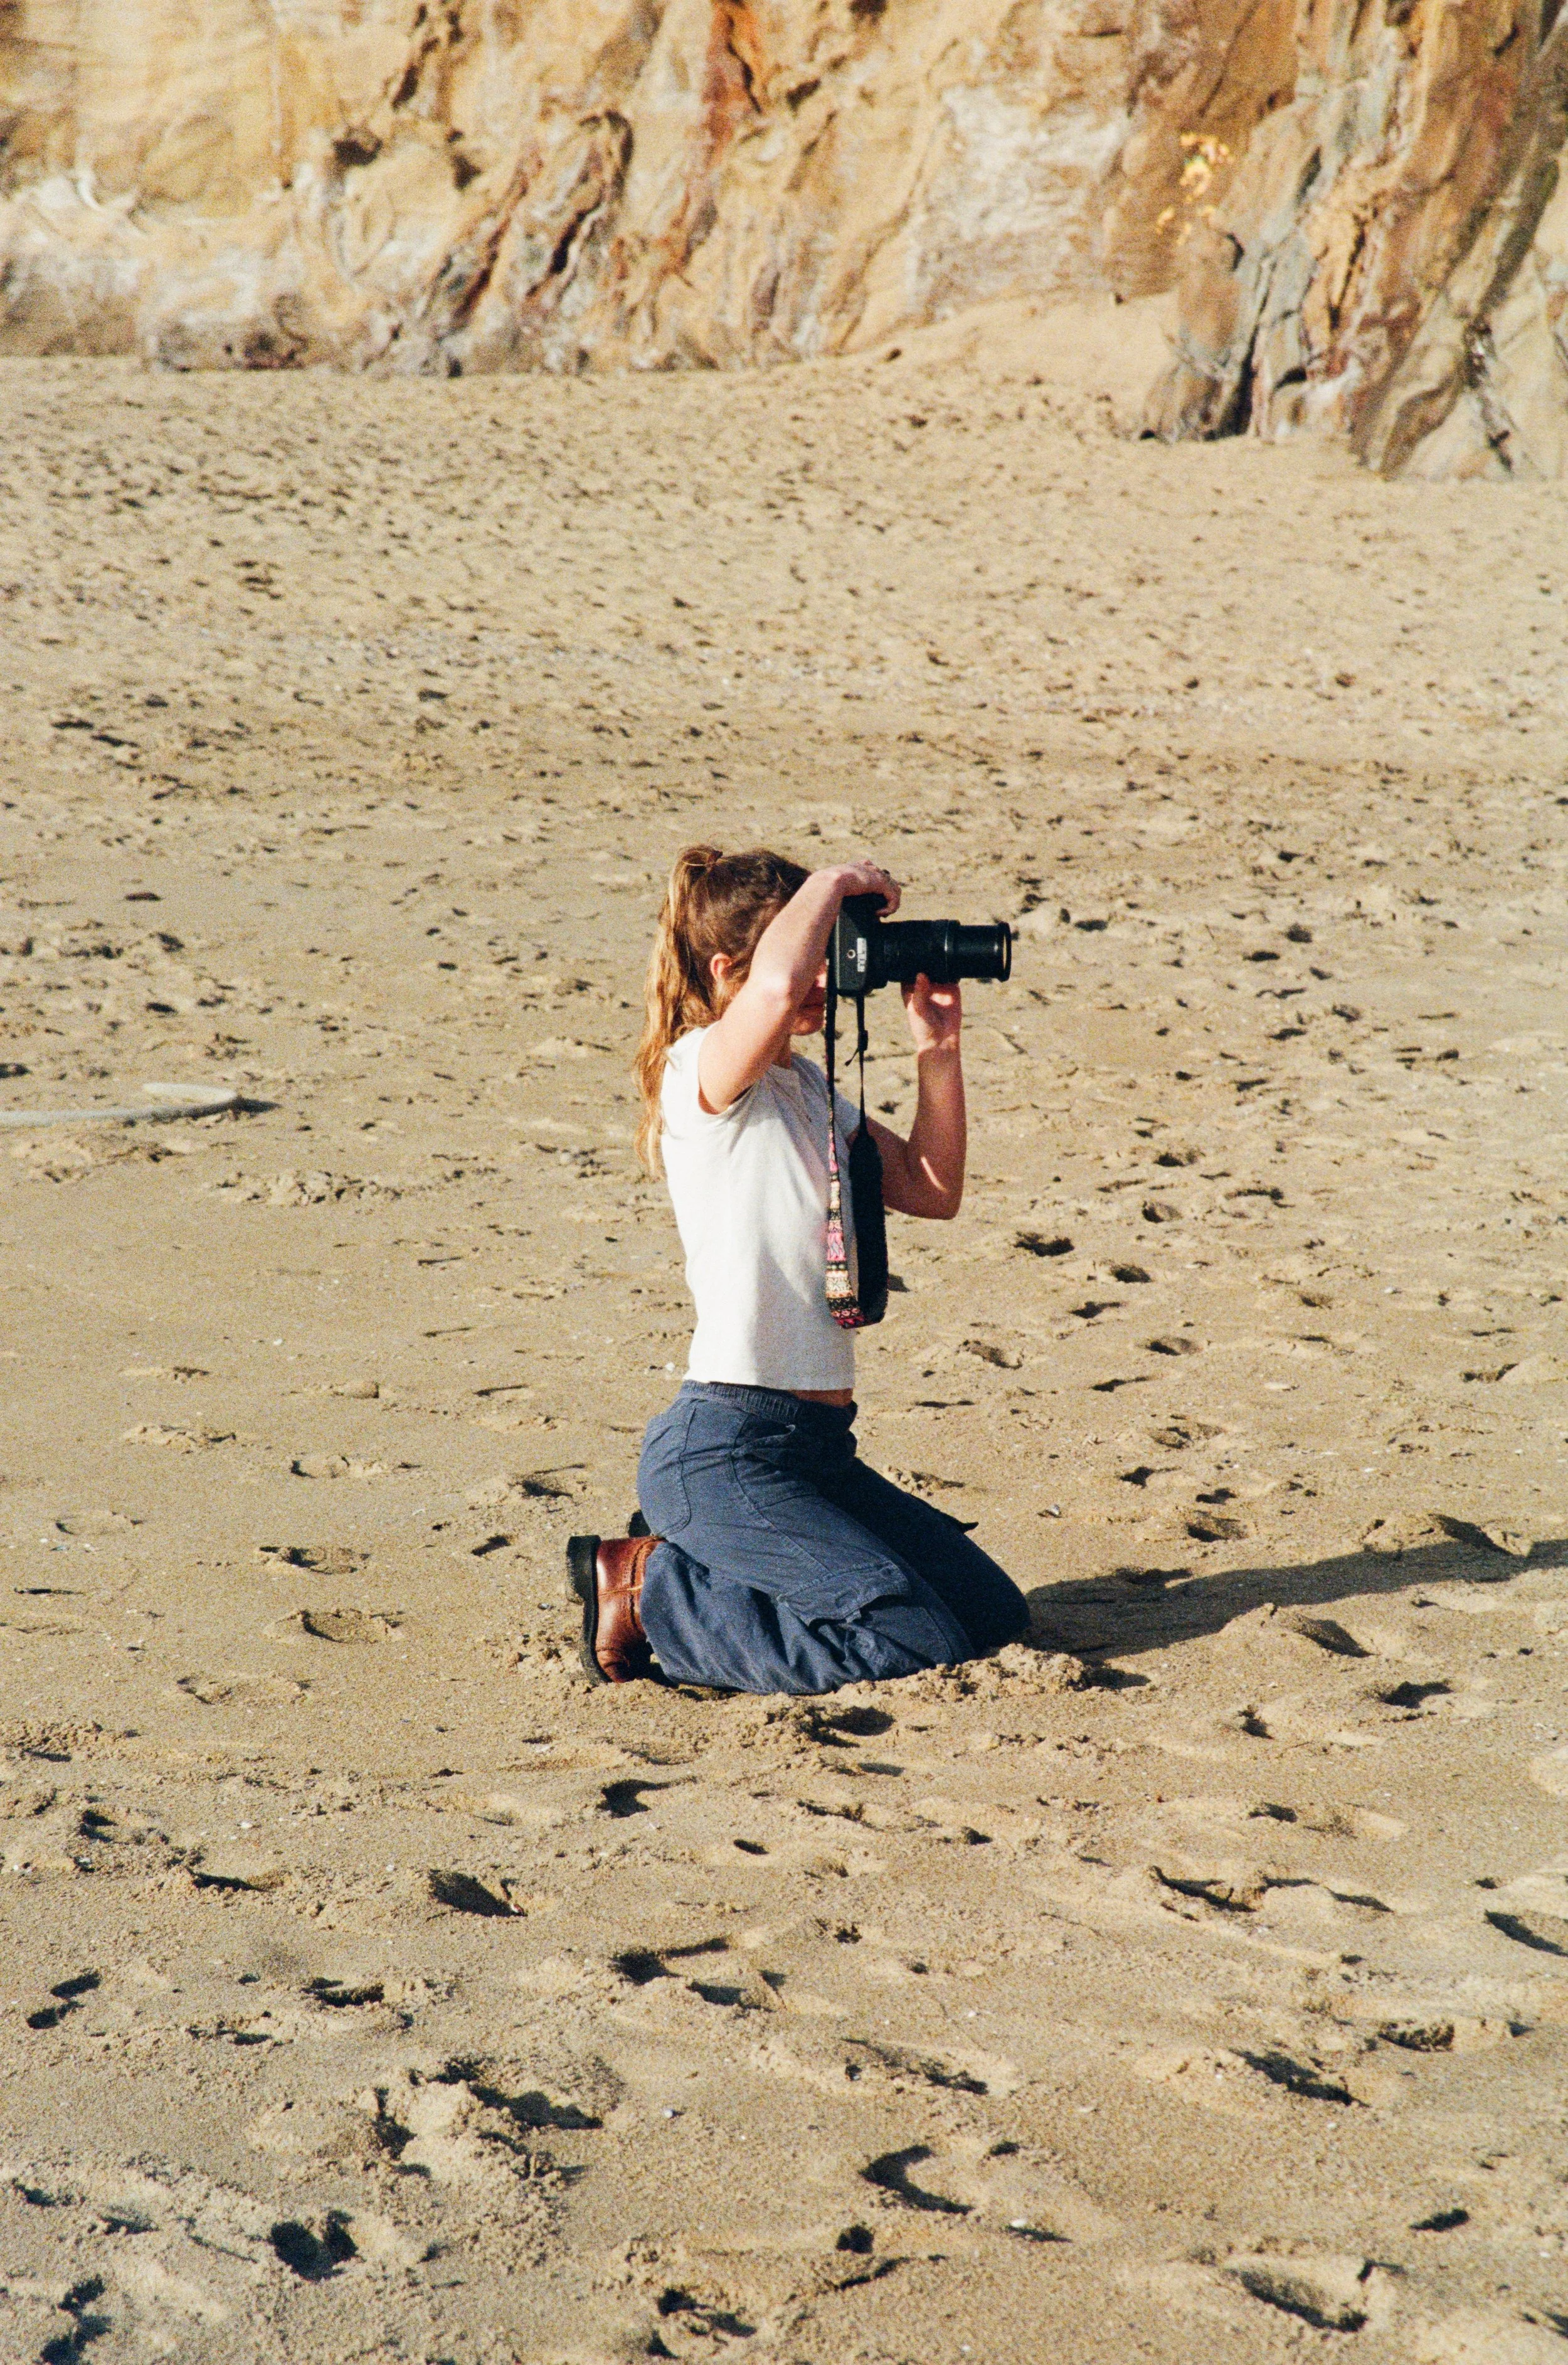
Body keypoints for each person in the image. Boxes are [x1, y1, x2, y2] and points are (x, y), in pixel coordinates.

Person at [567, 844, 1030, 1693]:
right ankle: (650, 1590)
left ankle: (703, 1564)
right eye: (812, 955)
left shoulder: (808, 1088)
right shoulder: (701, 1077)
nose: (824, 978)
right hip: (723, 1448)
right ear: (724, 970)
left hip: (816, 1452)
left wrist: (939, 1050)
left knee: (989, 1611)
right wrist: (836, 882)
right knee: (911, 1636)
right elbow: (777, 991)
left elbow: (933, 1188)